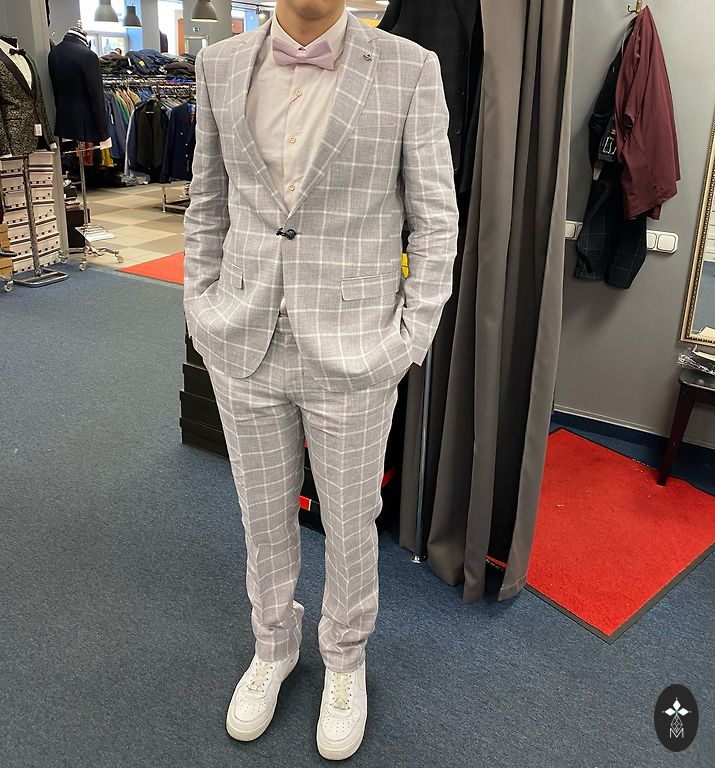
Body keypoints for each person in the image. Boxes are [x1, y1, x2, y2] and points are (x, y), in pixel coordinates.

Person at [183, 0, 458, 760]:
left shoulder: (410, 68)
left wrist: (408, 340)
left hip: (355, 348)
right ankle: (273, 645)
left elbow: (436, 220)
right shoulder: (218, 64)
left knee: (349, 519)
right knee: (261, 512)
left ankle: (344, 659)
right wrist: (201, 307)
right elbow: (207, 201)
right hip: (244, 335)